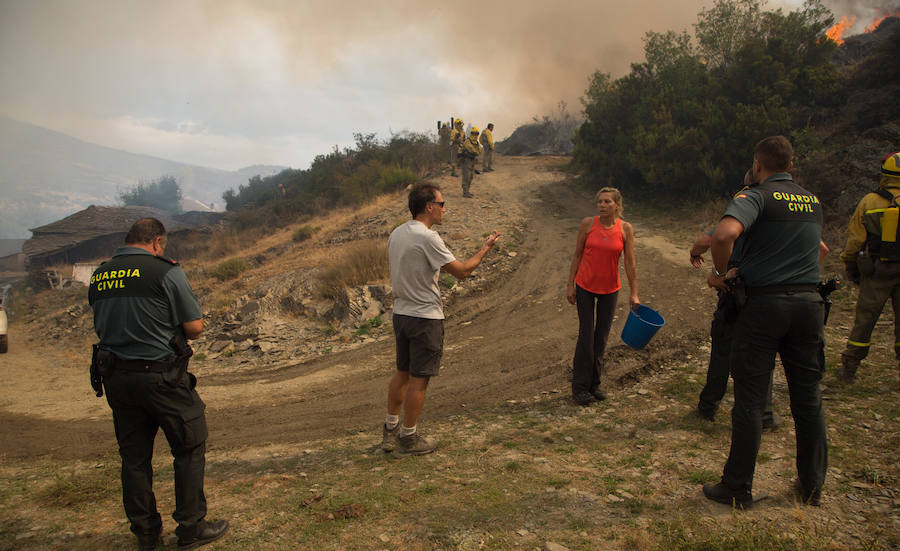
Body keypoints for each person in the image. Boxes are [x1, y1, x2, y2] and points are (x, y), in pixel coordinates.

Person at [88, 218, 229, 550]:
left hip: (116, 378)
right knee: (189, 446)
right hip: (161, 376)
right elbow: (194, 327)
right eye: (162, 246)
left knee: (134, 458)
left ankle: (146, 534)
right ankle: (191, 528)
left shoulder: (101, 274)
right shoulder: (164, 270)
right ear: (155, 243)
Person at [702, 136, 827, 509]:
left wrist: (723, 273)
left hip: (764, 305)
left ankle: (737, 486)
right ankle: (812, 486)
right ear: (792, 165)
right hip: (809, 304)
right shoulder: (812, 201)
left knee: (751, 400)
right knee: (808, 398)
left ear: (758, 166)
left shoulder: (755, 195)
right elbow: (821, 251)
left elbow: (724, 234)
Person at [382, 183, 501, 457]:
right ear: (429, 207)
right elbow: (461, 271)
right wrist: (485, 248)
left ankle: (390, 429)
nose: (445, 209)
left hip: (401, 314)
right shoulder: (427, 237)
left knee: (402, 372)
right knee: (419, 379)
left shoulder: (397, 233)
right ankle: (408, 438)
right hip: (424, 317)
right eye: (442, 203)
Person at [691, 169, 779, 430]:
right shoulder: (781, 210)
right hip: (771, 293)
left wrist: (715, 271)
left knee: (722, 350)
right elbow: (821, 249)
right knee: (763, 355)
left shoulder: (745, 203)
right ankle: (765, 414)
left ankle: (708, 406)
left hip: (737, 291)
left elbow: (710, 238)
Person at [566, 187, 639, 406]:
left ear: (617, 205)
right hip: (585, 286)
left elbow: (630, 262)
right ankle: (579, 387)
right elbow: (577, 254)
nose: (602, 205)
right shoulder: (588, 224)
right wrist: (570, 285)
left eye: (607, 202)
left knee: (602, 337)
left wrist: (634, 293)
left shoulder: (625, 229)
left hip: (610, 289)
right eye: (599, 202)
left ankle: (594, 385)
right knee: (586, 336)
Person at [838, 152, 900, 385]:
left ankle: (849, 369)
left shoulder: (870, 202)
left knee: (865, 320)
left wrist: (850, 264)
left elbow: (855, 240)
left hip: (877, 272)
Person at [459, 126, 482, 198]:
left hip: (472, 160)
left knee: (471, 176)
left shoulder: (477, 143)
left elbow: (480, 150)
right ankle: (465, 192)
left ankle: (467, 191)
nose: (475, 135)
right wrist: (476, 152)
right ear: (471, 133)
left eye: (476, 134)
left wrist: (476, 152)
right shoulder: (467, 141)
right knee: (466, 176)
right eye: (474, 133)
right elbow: (472, 149)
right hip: (466, 160)